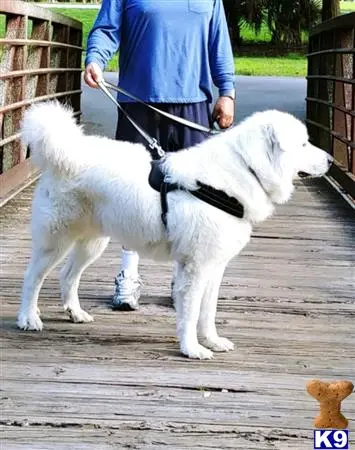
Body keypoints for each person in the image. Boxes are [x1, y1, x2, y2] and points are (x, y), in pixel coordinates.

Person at [84, 0, 235, 311]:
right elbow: (106, 29)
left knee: (195, 199)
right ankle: (128, 275)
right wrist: (96, 59)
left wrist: (227, 91)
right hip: (139, 102)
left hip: (192, 103)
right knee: (133, 193)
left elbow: (218, 41)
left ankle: (184, 281)